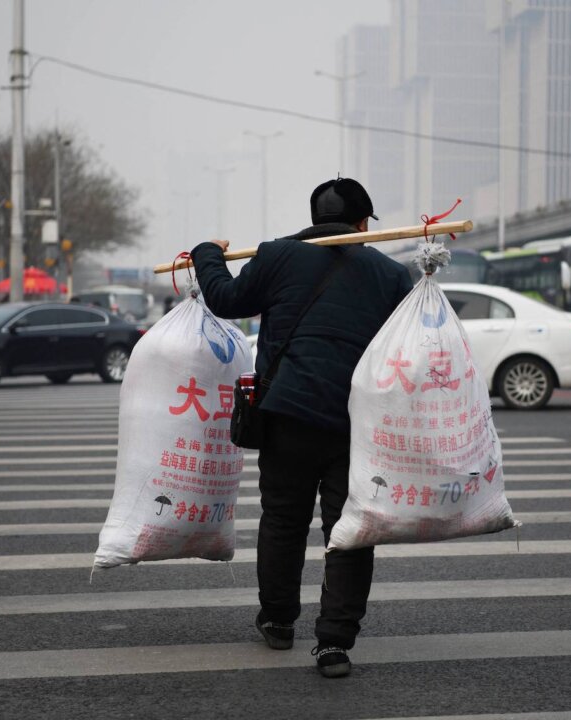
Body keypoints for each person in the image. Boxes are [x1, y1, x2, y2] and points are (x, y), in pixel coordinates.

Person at [190, 178, 413, 678]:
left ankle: (278, 621)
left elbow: (225, 298)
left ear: (315, 218)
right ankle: (334, 644)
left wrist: (207, 253)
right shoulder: (390, 274)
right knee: (349, 531)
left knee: (284, 521)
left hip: (286, 413)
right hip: (355, 421)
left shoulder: (276, 255)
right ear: (362, 225)